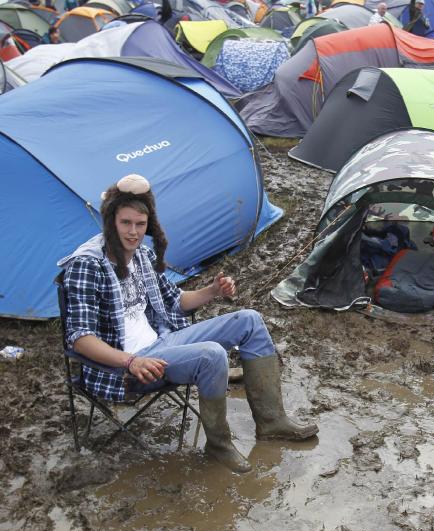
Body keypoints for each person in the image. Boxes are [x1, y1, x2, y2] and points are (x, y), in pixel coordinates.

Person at [59, 174, 317, 473]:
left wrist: (213, 292)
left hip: (163, 343)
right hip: (124, 367)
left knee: (250, 320)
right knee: (211, 354)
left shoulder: (141, 255)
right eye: (125, 223)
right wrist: (130, 362)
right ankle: (219, 445)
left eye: (140, 225)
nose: (133, 233)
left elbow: (174, 300)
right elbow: (79, 338)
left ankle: (272, 422)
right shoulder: (87, 265)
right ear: (110, 222)